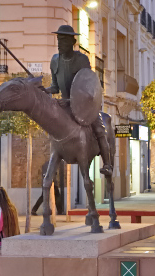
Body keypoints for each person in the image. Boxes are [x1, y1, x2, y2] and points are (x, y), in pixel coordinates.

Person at [44, 25, 112, 176]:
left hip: (83, 106)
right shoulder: (55, 61)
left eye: (63, 41)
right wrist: (43, 90)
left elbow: (87, 86)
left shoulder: (82, 60)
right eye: (58, 40)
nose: (59, 44)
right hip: (64, 105)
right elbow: (55, 87)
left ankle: (107, 164)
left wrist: (70, 101)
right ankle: (54, 158)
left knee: (100, 129)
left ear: (72, 42)